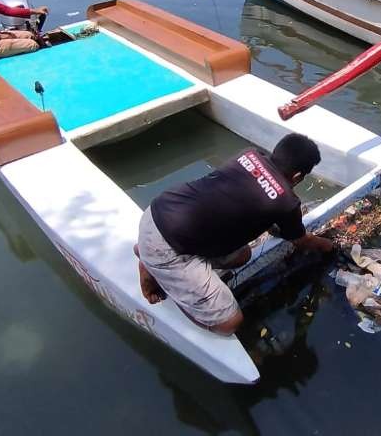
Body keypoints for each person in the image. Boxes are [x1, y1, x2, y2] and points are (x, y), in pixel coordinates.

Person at [135, 133, 335, 335]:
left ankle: (151, 255)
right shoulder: (287, 202)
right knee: (230, 323)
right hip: (167, 248)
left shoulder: (249, 155)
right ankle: (156, 270)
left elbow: (245, 200)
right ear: (297, 176)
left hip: (157, 211)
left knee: (243, 255)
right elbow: (301, 241)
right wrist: (329, 246)